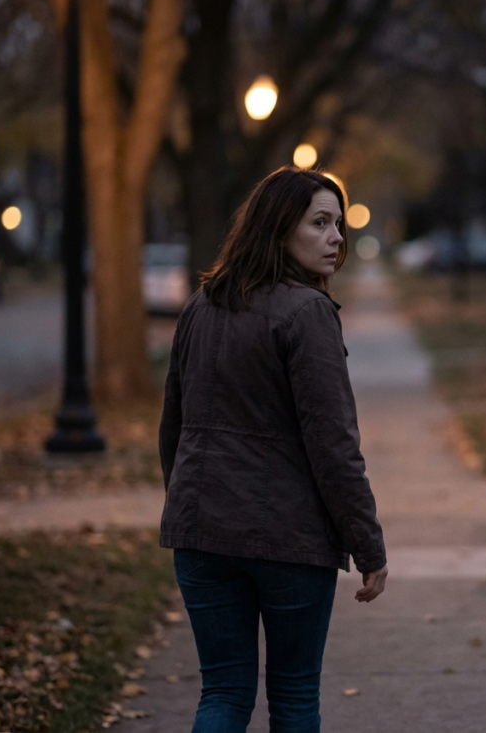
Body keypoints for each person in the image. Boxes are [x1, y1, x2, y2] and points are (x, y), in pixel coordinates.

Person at [158, 166, 388, 733]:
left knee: (224, 693)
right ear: (279, 227)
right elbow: (334, 445)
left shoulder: (201, 307)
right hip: (289, 542)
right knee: (292, 697)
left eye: (338, 224)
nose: (337, 237)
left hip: (202, 536)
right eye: (320, 223)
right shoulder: (307, 313)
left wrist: (195, 509)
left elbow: (173, 428)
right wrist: (369, 546)